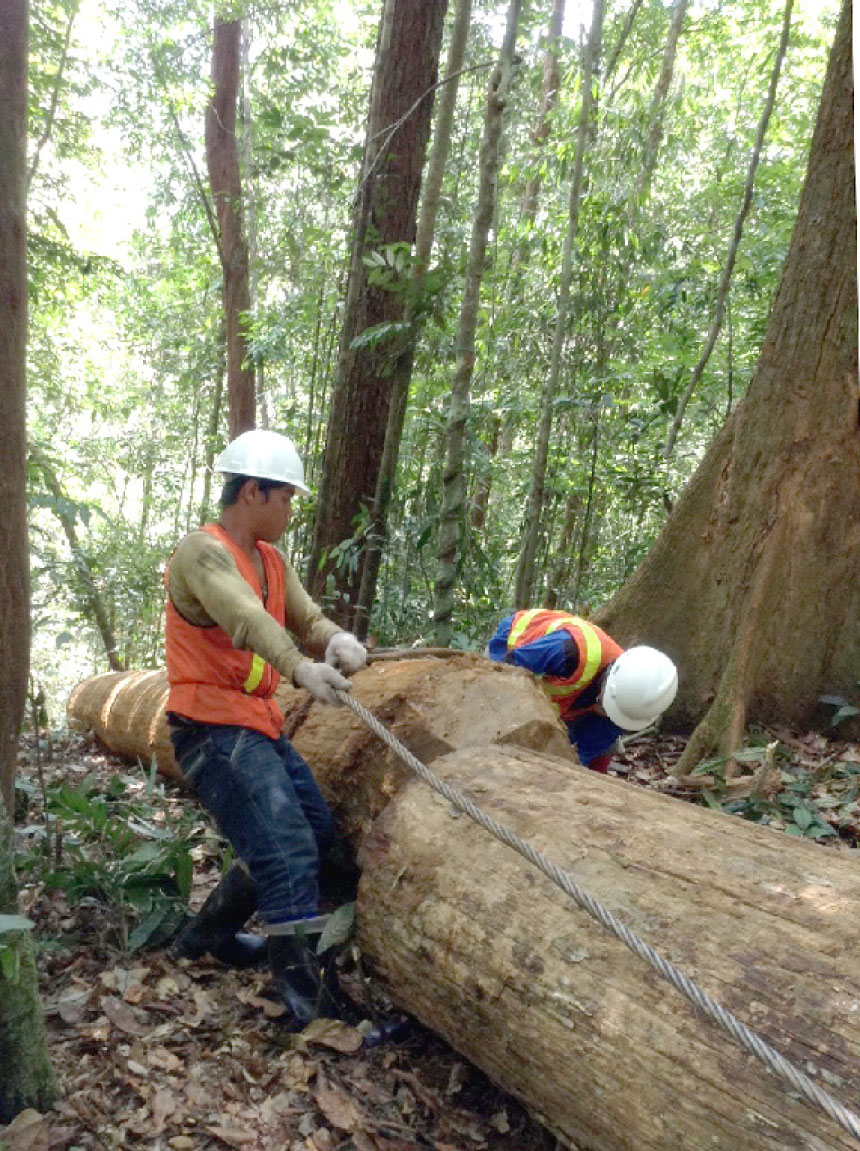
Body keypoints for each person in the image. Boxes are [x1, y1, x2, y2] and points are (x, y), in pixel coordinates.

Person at [164, 428, 369, 1032]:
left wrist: (334, 639)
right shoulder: (202, 552)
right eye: (286, 498)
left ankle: (205, 939)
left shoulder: (272, 561)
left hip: (255, 725)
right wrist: (301, 668)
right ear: (254, 491)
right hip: (210, 729)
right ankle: (308, 1006)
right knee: (289, 851)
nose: (290, 510)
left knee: (310, 827)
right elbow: (247, 619)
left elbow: (301, 615)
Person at [487, 608, 678, 773]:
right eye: (606, 706)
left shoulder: (631, 704)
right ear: (609, 682)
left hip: (567, 702)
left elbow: (581, 759)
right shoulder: (568, 651)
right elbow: (503, 673)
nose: (604, 711)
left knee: (601, 746)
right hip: (515, 644)